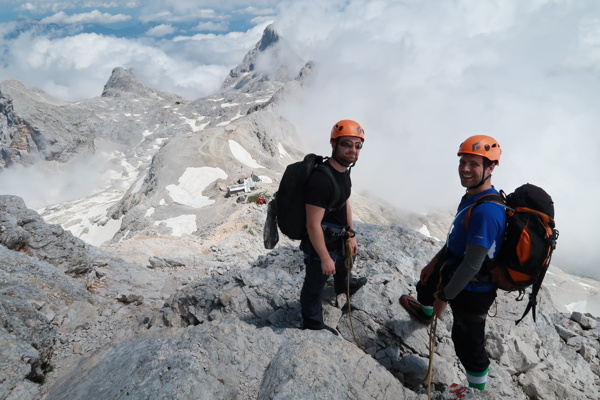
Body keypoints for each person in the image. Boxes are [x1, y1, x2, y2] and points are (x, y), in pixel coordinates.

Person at [400, 135, 506, 391]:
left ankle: (476, 392)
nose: (465, 169)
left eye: (474, 164)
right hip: (452, 267)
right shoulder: (472, 196)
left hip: (473, 289)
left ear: (490, 168)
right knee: (424, 285)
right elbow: (457, 238)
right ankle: (425, 313)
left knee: (467, 342)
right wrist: (435, 261)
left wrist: (444, 299)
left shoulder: (487, 211)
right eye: (463, 162)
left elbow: (472, 264)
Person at [300, 119, 368, 335]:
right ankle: (312, 323)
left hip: (340, 238)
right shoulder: (321, 180)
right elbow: (312, 224)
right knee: (314, 287)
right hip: (323, 245)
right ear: (334, 144)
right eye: (347, 144)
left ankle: (342, 286)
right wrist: (325, 257)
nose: (353, 150)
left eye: (358, 145)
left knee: (345, 265)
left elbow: (344, 201)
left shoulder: (344, 172)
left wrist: (351, 234)